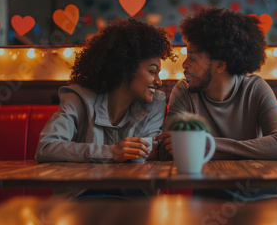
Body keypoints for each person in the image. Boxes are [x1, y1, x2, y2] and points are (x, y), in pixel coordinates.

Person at [155, 7, 277, 201]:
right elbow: (169, 151)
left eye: (193, 58)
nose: (184, 64)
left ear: (220, 65)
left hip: (266, 199)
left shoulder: (255, 88)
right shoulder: (184, 91)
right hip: (209, 204)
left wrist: (210, 145)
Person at [35, 18, 174, 198]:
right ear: (126, 68)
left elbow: (147, 154)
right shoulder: (79, 98)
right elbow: (46, 147)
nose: (158, 81)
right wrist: (112, 152)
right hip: (83, 195)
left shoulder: (155, 103)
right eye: (153, 71)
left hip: (137, 197)